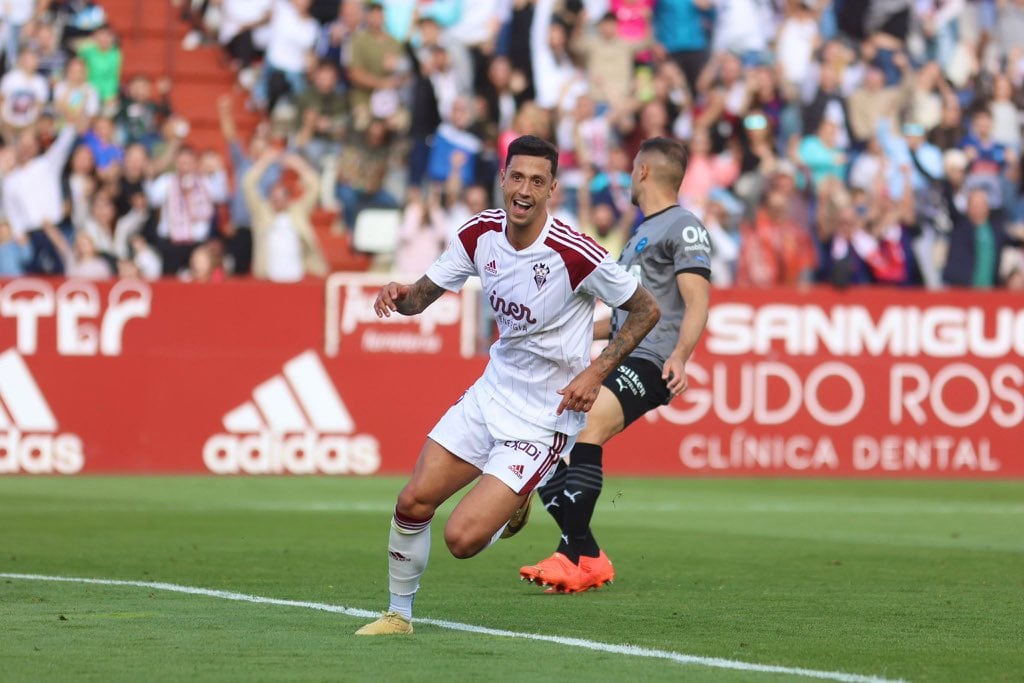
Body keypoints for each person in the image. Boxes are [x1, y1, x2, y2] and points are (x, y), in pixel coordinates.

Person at [355, 135, 661, 635]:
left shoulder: (575, 251)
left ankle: (516, 495)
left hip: (544, 417)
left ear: (552, 189)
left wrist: (595, 371)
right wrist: (400, 294)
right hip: (490, 393)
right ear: (502, 178)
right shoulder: (478, 235)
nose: (524, 190)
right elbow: (419, 299)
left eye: (536, 181)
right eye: (516, 177)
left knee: (462, 539)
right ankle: (398, 615)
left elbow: (647, 310)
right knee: (412, 501)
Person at [516, 137, 712, 594]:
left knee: (589, 430)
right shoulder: (640, 234)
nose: (628, 178)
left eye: (630, 170)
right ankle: (588, 553)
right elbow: (625, 318)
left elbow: (697, 302)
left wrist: (680, 357)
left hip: (652, 361)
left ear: (643, 171)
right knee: (546, 445)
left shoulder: (683, 226)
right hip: (626, 352)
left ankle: (570, 556)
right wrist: (564, 334)